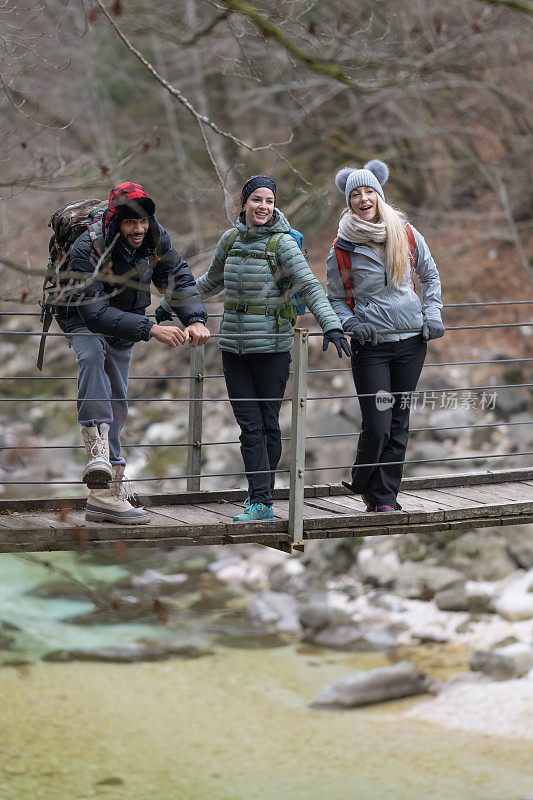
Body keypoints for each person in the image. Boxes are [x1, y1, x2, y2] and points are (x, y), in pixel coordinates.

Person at [194, 175, 351, 522]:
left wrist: (332, 324)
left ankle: (260, 499)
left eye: (269, 201)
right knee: (249, 426)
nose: (263, 207)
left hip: (273, 347)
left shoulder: (282, 245)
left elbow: (309, 285)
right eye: (257, 200)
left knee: (267, 423)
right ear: (244, 203)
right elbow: (209, 282)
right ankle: (260, 500)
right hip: (233, 346)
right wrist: (173, 304)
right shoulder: (230, 240)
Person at [56, 181, 210, 524]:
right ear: (116, 222)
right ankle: (97, 457)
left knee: (118, 398)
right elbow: (93, 313)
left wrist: (196, 319)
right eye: (130, 223)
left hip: (126, 318)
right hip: (79, 313)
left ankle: (106, 495)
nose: (138, 229)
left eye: (143, 222)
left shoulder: (156, 237)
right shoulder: (89, 246)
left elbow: (178, 278)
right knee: (92, 355)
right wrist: (150, 329)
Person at [326, 160, 444, 512]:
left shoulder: (406, 232)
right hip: (371, 346)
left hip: (411, 342)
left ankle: (383, 499)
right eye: (356, 194)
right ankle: (362, 479)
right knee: (377, 424)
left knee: (398, 421)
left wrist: (433, 312)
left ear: (379, 193)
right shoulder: (342, 247)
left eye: (369, 192)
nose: (364, 199)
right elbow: (333, 298)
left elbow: (430, 276)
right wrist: (350, 324)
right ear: (349, 202)